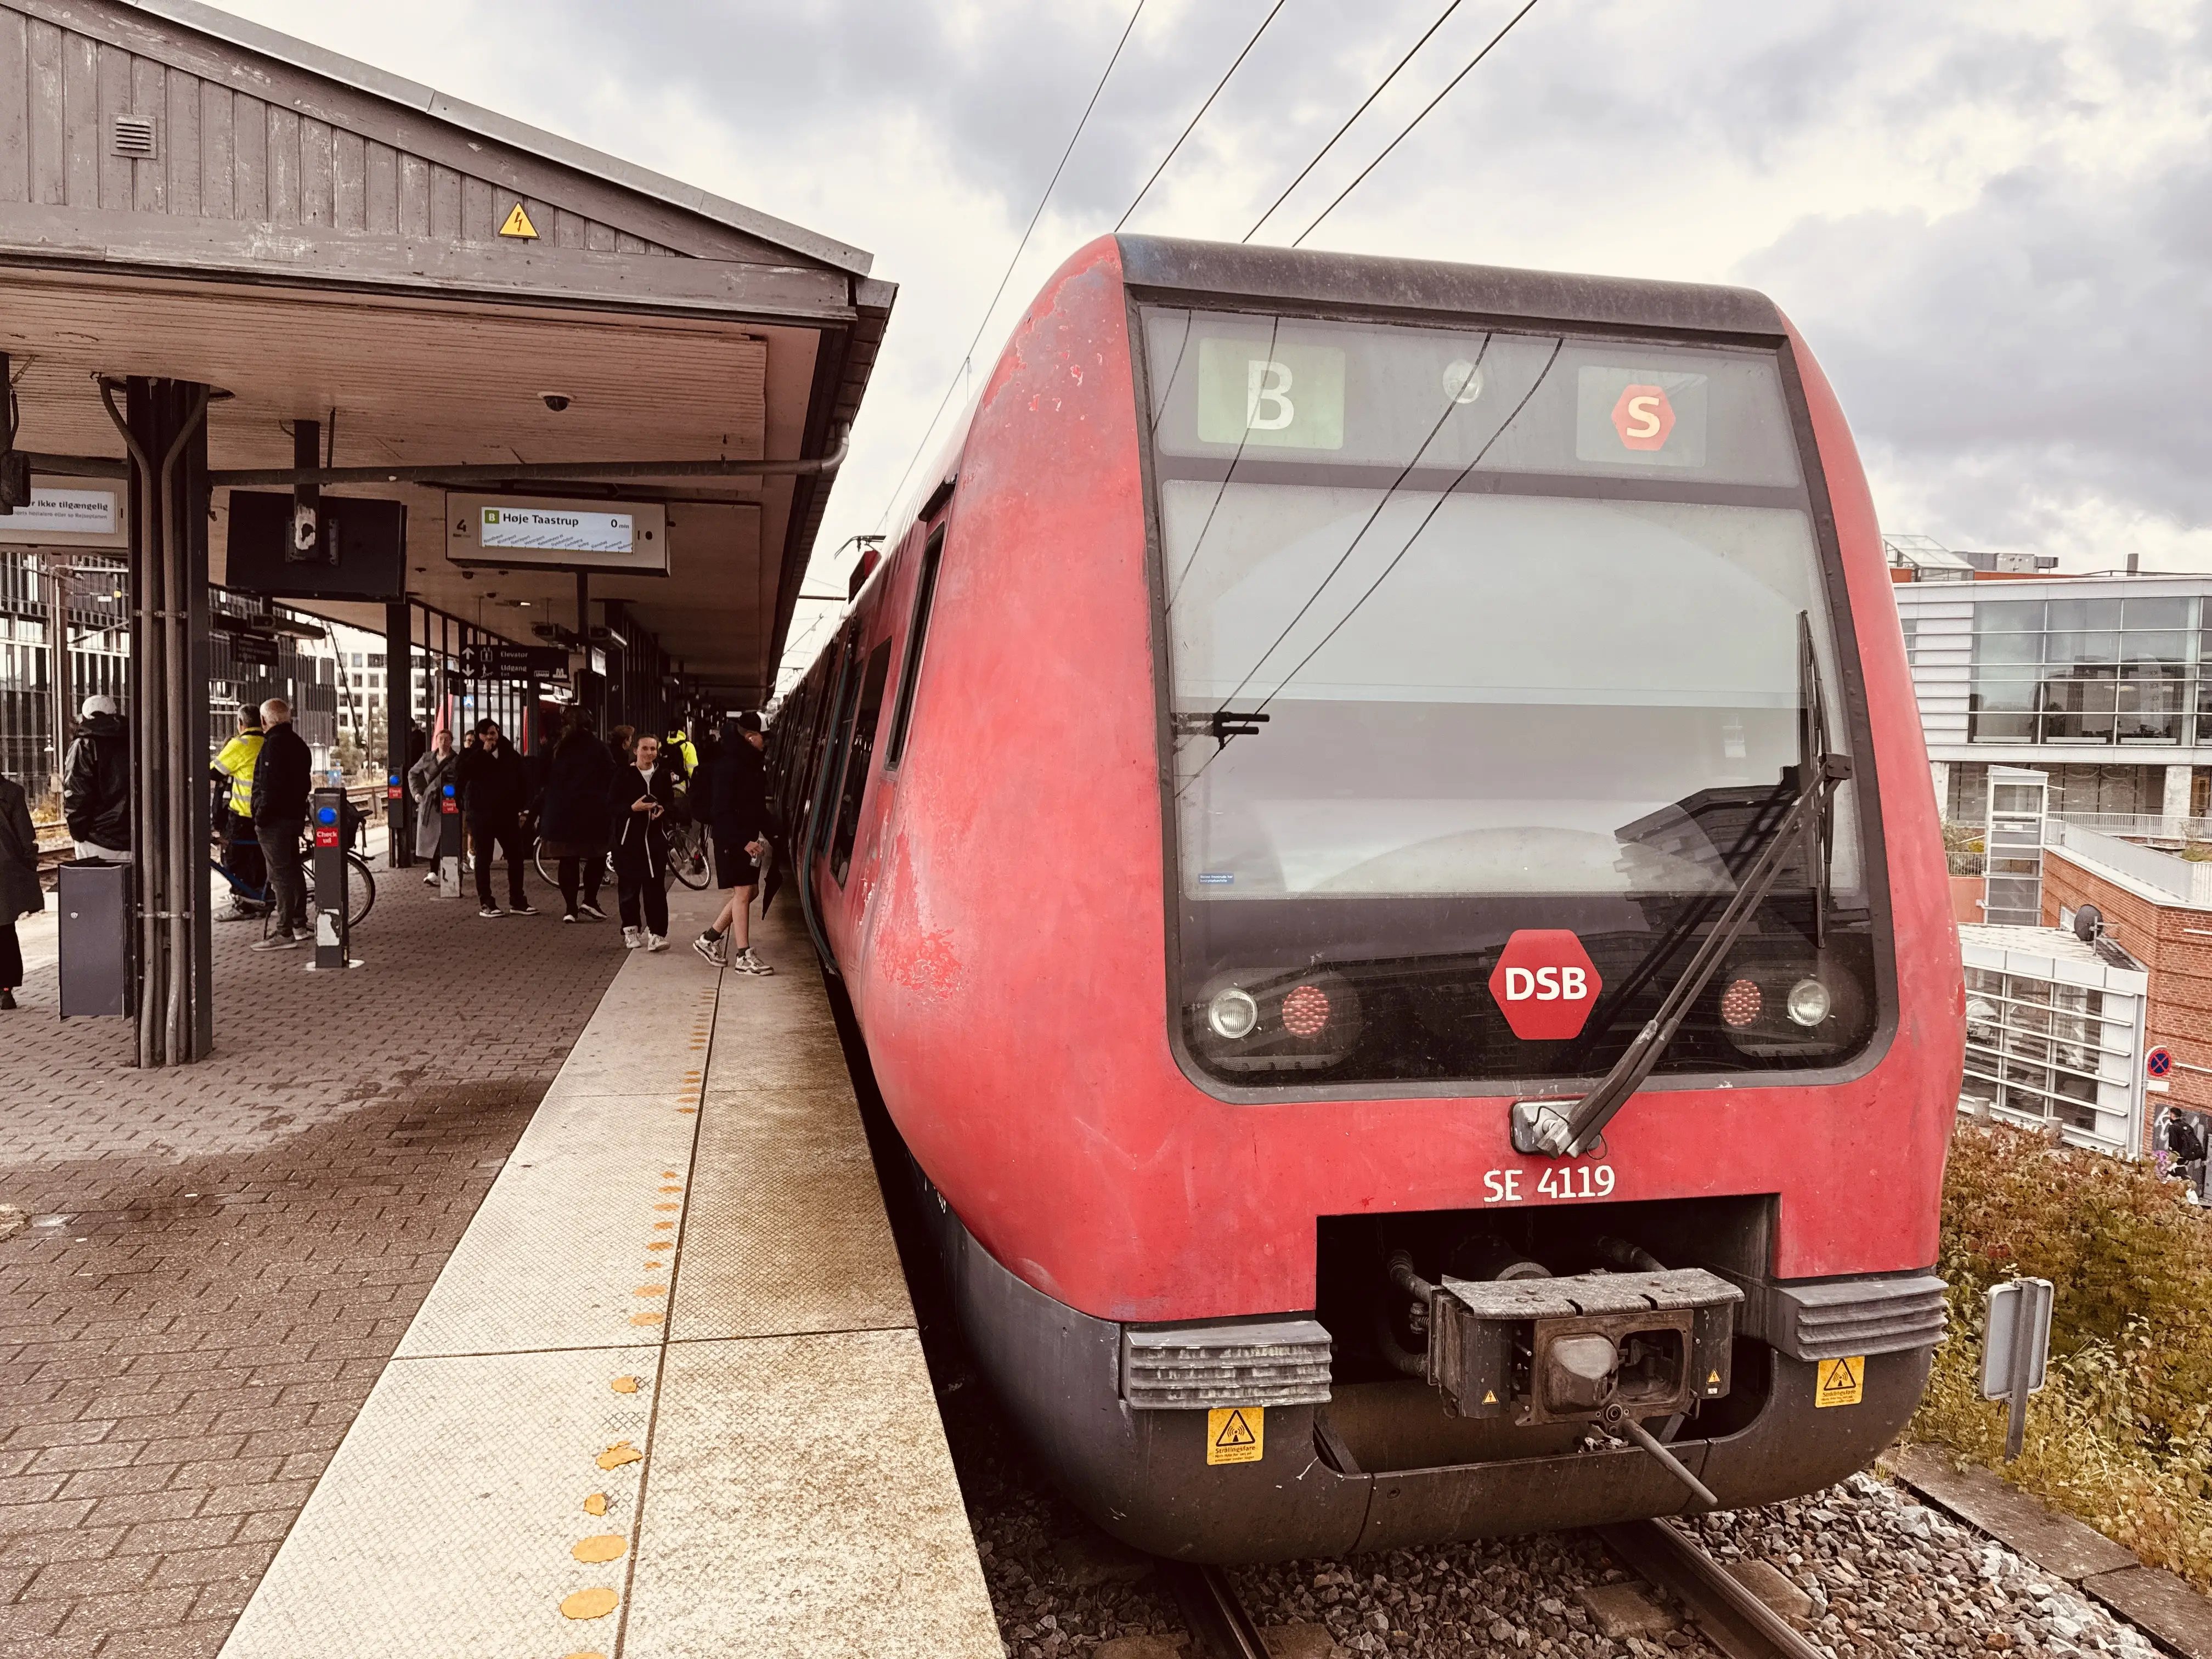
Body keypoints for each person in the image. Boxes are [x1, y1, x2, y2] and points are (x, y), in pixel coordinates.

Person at [693, 712, 775, 974]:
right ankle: (743, 957)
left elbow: (756, 809)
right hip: (733, 840)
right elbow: (722, 811)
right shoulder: (729, 766)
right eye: (764, 738)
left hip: (744, 838)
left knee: (752, 892)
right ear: (751, 738)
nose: (767, 743)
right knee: (742, 894)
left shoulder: (749, 764)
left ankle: (708, 939)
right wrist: (744, 842)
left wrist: (776, 835)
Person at [249, 697, 313, 950]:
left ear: (264, 720)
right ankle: (299, 925)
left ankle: (284, 932)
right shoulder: (300, 745)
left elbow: (269, 787)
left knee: (280, 876)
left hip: (275, 821)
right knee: (293, 870)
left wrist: (261, 816)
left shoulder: (272, 746)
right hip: (294, 817)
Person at [539, 708, 614, 923]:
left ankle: (570, 909)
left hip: (561, 812)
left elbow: (540, 775)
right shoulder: (598, 747)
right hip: (593, 812)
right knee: (597, 856)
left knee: (568, 859)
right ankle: (589, 900)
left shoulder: (554, 747)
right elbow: (611, 774)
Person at [454, 718, 533, 917]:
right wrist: (483, 753)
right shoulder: (471, 754)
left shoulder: (509, 753)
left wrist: (523, 807)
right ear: (479, 736)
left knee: (516, 857)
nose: (491, 737)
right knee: (484, 858)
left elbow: (523, 779)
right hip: (481, 815)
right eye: (487, 734)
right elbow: (462, 774)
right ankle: (487, 903)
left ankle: (518, 901)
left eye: (494, 733)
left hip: (507, 814)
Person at [609, 732, 674, 951]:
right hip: (629, 843)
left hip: (655, 842)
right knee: (629, 889)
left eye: (653, 749)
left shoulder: (662, 775)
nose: (649, 753)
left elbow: (670, 803)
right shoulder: (623, 775)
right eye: (645, 749)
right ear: (635, 750)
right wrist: (631, 809)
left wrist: (663, 810)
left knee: (656, 889)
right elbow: (611, 805)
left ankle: (657, 934)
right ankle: (630, 930)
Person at [209, 706, 267, 920]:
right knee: (258, 860)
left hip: (243, 815)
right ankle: (259, 901)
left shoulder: (241, 743)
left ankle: (244, 905)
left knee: (234, 860)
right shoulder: (267, 742)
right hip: (264, 814)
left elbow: (214, 771)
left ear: (241, 723)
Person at [61, 693, 130, 862]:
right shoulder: (134, 740)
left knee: (97, 887)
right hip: (134, 838)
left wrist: (79, 833)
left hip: (96, 840)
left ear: (84, 717)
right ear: (115, 714)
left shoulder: (84, 744)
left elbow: (77, 794)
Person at [0, 769, 41, 1009]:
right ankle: (5, 990)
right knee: (4, 930)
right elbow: (26, 836)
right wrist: (29, 866)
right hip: (4, 870)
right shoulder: (12, 793)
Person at [408, 727, 459, 886]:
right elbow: (412, 773)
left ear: (452, 741)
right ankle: (433, 872)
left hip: (450, 802)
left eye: (447, 739)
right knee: (432, 839)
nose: (444, 742)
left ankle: (447, 872)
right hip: (430, 803)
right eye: (441, 739)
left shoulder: (456, 760)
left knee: (448, 837)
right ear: (437, 741)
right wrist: (416, 793)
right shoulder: (428, 757)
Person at [2166, 1108, 2208, 1202]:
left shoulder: (2173, 1127)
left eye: (2170, 1114)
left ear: (2173, 1115)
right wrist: (2203, 1157)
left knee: (2183, 1176)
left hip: (2179, 1156)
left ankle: (2193, 1201)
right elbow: (2195, 1141)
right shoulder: (2188, 1126)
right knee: (2170, 1173)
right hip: (2188, 1156)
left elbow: (2173, 1144)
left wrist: (2172, 1155)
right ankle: (2167, 1196)